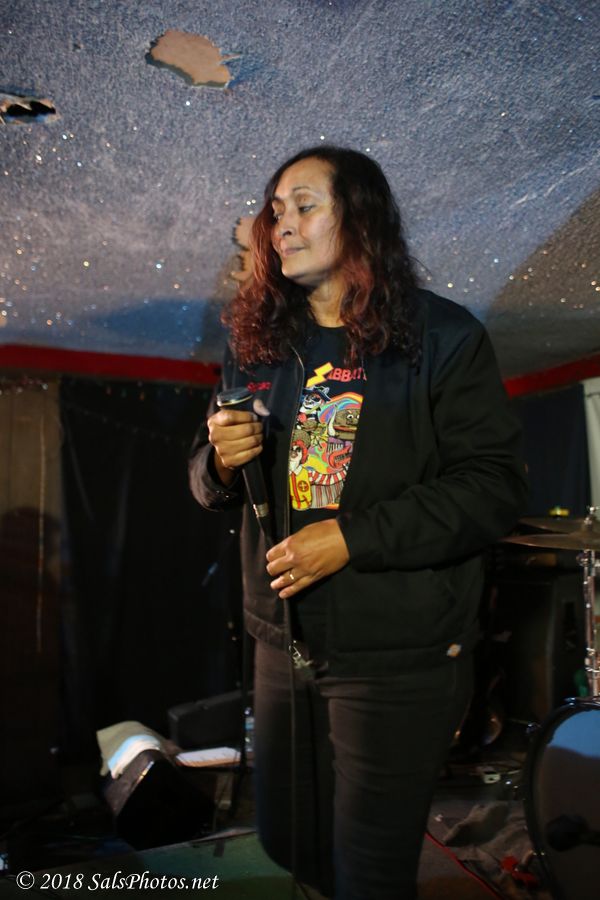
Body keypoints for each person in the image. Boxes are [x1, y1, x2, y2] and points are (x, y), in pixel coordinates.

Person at [189, 146, 528, 900]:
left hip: (395, 657)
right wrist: (219, 463)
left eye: (305, 205)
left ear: (361, 218)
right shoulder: (257, 342)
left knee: (369, 873)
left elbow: (494, 488)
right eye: (276, 210)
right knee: (290, 842)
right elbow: (204, 474)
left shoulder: (442, 338)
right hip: (283, 645)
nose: (282, 224)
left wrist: (351, 538)